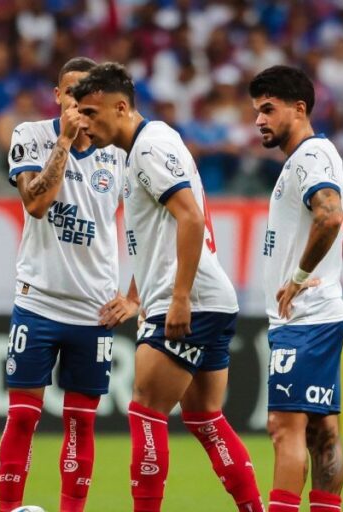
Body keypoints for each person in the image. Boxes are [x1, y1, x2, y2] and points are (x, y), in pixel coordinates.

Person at [71, 63, 264, 512]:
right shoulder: (140, 147)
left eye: (91, 112)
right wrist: (136, 296)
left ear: (121, 107)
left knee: (145, 410)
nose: (83, 123)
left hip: (188, 300)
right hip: (206, 298)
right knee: (204, 418)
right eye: (79, 113)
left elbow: (191, 217)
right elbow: (155, 237)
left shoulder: (149, 149)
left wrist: (178, 298)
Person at [0, 57, 130, 512]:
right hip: (38, 303)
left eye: (86, 94)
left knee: (81, 426)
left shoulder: (119, 154)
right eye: (70, 92)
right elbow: (35, 203)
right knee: (22, 419)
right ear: (57, 95)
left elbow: (156, 232)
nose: (78, 102)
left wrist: (133, 298)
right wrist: (65, 142)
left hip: (93, 312)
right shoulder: (31, 135)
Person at [249, 65, 343, 512]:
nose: (259, 121)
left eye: (268, 109)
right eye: (256, 111)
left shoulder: (310, 158)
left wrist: (298, 278)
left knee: (282, 427)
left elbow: (330, 215)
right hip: (318, 316)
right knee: (321, 431)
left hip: (305, 319)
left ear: (299, 108)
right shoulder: (308, 158)